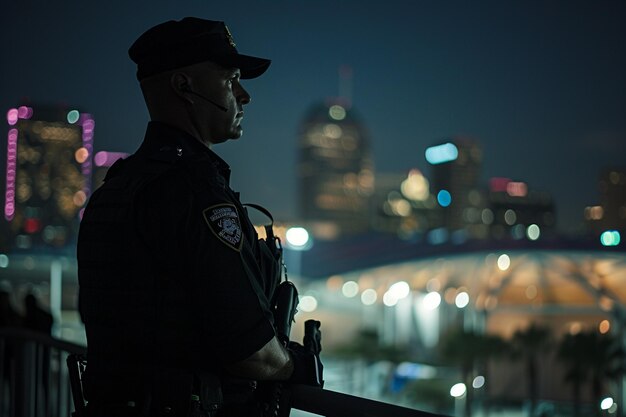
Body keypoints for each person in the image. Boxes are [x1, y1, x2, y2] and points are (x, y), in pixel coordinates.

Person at [77, 17, 321, 417]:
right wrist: (297, 364)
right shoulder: (194, 192)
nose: (244, 96)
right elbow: (250, 351)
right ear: (184, 86)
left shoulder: (115, 189)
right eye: (231, 79)